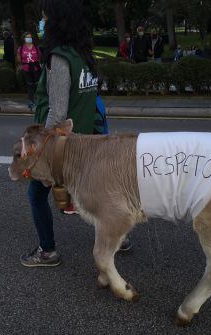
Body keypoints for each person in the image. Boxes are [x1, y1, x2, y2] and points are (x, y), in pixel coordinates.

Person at [21, 0, 130, 268]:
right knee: (99, 191)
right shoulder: (84, 53)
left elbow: (57, 112)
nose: (42, 22)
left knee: (36, 195)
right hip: (88, 140)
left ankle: (47, 252)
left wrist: (38, 145)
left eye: (45, 16)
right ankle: (119, 236)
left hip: (63, 146)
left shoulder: (59, 57)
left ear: (57, 20)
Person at [17, 32, 42, 110]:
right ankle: (31, 101)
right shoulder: (21, 48)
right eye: (27, 37)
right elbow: (18, 57)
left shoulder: (36, 47)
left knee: (37, 84)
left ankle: (39, 101)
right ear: (24, 39)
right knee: (30, 85)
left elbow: (39, 57)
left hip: (35, 68)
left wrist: (39, 64)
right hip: (26, 69)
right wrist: (21, 65)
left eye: (30, 37)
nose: (29, 39)